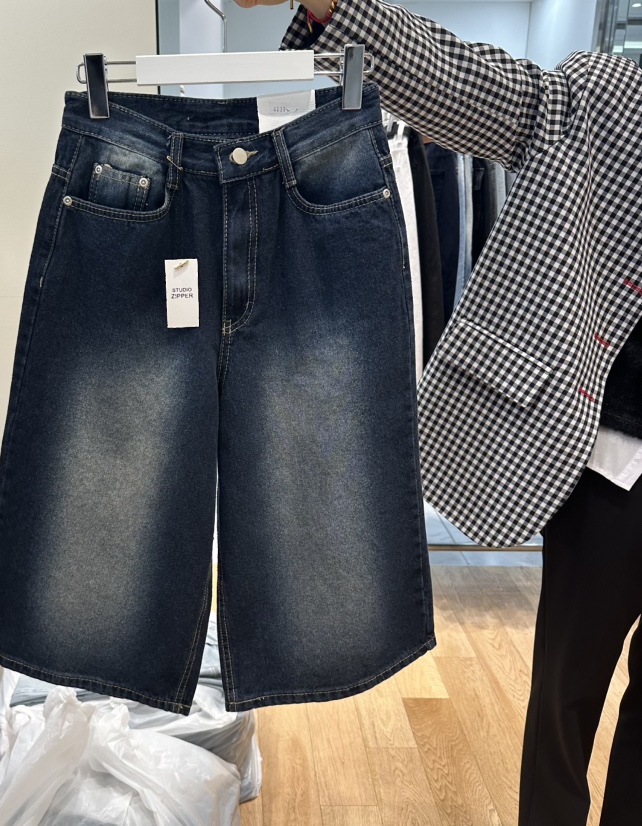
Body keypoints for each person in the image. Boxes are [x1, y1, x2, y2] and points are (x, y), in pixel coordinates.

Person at [234, 2, 642, 824]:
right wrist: (331, 7)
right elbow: (471, 85)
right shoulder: (610, 99)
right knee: (566, 694)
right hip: (617, 463)